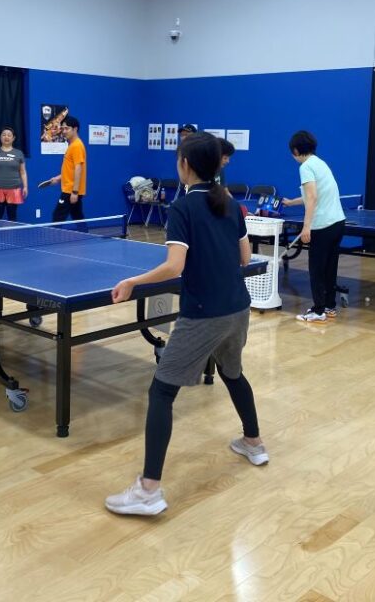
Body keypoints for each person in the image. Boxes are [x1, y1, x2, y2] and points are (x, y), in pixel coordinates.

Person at [105, 133, 267, 516]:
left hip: (204, 313)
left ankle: (148, 491)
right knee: (232, 373)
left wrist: (133, 282)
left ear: (186, 165)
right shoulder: (231, 203)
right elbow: (245, 258)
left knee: (161, 392)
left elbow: (174, 267)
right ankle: (254, 443)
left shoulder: (182, 207)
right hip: (238, 308)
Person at [282, 130, 346, 323]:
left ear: (295, 150)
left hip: (323, 226)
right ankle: (329, 306)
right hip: (338, 223)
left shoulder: (306, 167)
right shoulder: (320, 163)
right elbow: (314, 194)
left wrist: (306, 227)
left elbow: (312, 197)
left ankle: (318, 311)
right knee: (330, 268)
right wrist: (291, 202)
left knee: (317, 269)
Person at [0, 126, 28, 221]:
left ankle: (13, 232)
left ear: (13, 138)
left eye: (9, 135)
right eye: (4, 135)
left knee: (12, 216)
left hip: (14, 190)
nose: (6, 137)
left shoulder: (19, 153)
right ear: (0, 137)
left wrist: (25, 187)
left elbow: (23, 172)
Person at [49, 115, 86, 222]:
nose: (64, 131)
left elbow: (78, 169)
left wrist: (74, 192)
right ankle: (84, 233)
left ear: (75, 129)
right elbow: (71, 169)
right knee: (77, 216)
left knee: (57, 217)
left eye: (67, 128)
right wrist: (58, 178)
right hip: (71, 189)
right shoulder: (73, 145)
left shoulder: (77, 146)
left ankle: (55, 235)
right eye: (63, 128)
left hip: (70, 190)